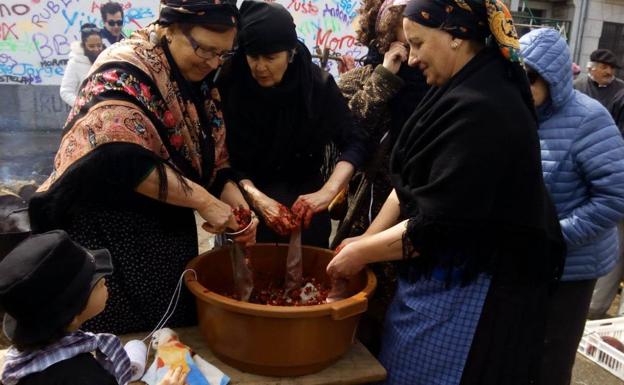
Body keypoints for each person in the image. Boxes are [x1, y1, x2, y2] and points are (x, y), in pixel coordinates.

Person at [326, 0, 566, 384]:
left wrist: (360, 253)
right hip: (433, 277)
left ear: (456, 35)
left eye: (418, 43)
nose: (413, 57)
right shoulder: (449, 92)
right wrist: (365, 242)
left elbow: (440, 225)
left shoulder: (486, 109)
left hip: (474, 287)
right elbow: (406, 187)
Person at [29, 0, 258, 335]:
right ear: (170, 28)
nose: (213, 63)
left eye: (223, 54)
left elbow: (214, 160)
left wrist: (235, 201)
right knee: (118, 337)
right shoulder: (125, 66)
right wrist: (206, 203)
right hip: (107, 230)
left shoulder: (201, 82)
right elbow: (118, 156)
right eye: (205, 49)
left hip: (165, 228)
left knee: (169, 334)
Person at [519, 28, 624, 385]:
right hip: (531, 260)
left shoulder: (589, 118)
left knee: (551, 359)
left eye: (531, 78)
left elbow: (615, 197)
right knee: (522, 352)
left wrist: (554, 235)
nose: (522, 86)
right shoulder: (523, 114)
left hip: (573, 267)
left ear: (553, 77)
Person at [218, 0, 367, 247]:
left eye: (271, 57)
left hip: (306, 206)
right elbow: (221, 158)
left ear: (291, 52)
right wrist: (256, 199)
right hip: (244, 205)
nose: (260, 67)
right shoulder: (231, 82)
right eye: (253, 56)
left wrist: (327, 192)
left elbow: (355, 141)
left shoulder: (317, 86)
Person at [332, 0, 429, 355]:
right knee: (359, 294)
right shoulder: (361, 78)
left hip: (418, 211)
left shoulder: (439, 83)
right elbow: (350, 133)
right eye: (404, 41)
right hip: (366, 208)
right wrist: (386, 77)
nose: (414, 56)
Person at [0, 230, 188, 385]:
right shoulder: (84, 377)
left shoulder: (31, 354)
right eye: (97, 283)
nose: (105, 281)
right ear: (72, 316)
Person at [574, 48, 624, 132]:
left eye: (612, 68)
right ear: (591, 69)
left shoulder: (621, 89)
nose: (609, 72)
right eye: (604, 67)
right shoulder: (576, 86)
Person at [60, 23, 104, 106]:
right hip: (85, 115)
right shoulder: (75, 63)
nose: (96, 49)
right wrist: (82, 105)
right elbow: (65, 91)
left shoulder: (106, 59)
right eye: (91, 46)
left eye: (99, 45)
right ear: (84, 46)